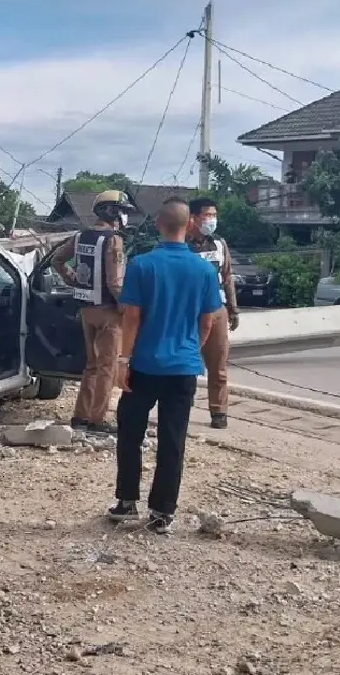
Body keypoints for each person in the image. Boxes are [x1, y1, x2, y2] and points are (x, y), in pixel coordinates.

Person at [107, 198, 223, 534]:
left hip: (144, 365)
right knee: (173, 440)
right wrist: (191, 350)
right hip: (183, 368)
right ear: (190, 226)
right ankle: (162, 513)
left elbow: (131, 316)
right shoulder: (204, 270)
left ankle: (127, 501)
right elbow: (208, 322)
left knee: (130, 433)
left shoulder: (143, 265)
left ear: (159, 223)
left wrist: (123, 360)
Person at [50, 189, 134, 433]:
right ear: (113, 212)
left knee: (92, 366)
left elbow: (57, 259)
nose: (125, 217)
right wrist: (126, 308)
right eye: (123, 211)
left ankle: (80, 417)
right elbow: (115, 282)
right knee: (107, 367)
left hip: (86, 310)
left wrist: (73, 279)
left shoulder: (80, 237)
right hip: (109, 311)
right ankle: (97, 420)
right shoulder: (114, 240)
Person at [186, 198, 239, 429]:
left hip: (217, 309)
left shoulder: (219, 244)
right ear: (194, 218)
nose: (212, 220)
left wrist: (233, 309)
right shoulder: (182, 245)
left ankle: (219, 412)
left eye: (214, 215)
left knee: (218, 365)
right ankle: (183, 406)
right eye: (208, 215)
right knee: (186, 362)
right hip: (189, 313)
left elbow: (227, 278)